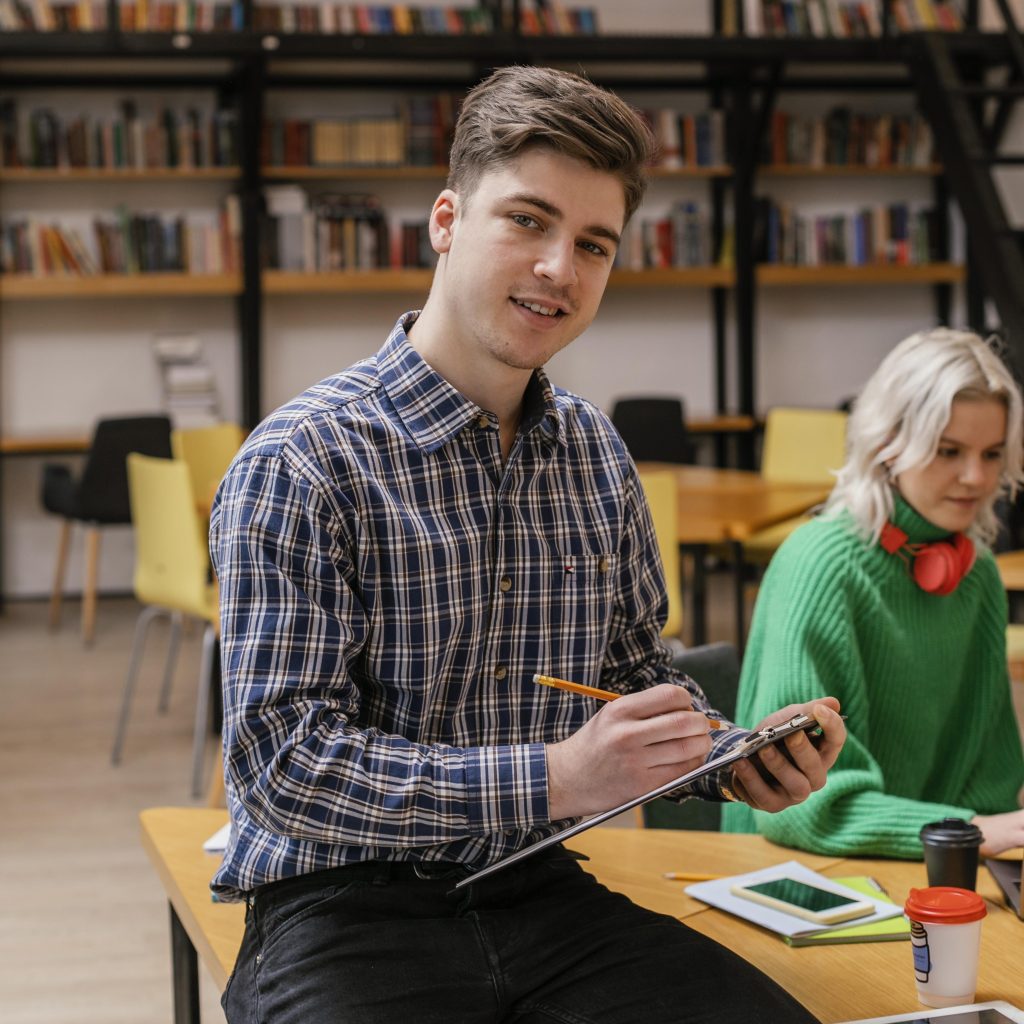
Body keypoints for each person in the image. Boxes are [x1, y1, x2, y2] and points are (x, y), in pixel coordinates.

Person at [210, 65, 846, 1024]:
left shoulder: (595, 453)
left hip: (540, 889)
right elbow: (283, 768)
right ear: (447, 220)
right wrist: (556, 776)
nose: (561, 267)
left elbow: (632, 684)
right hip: (340, 914)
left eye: (594, 243)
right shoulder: (303, 459)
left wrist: (724, 754)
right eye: (527, 221)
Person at [724, 328, 1024, 859]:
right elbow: (799, 808)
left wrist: (970, 837)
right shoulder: (819, 565)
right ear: (888, 445)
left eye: (993, 453)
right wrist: (971, 832)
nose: (975, 477)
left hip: (927, 864)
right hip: (793, 875)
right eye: (948, 451)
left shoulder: (974, 575)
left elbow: (992, 780)